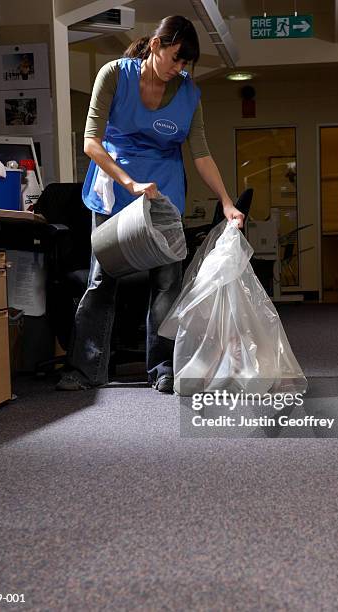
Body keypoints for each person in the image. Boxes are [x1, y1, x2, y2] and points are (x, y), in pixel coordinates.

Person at [57, 15, 244, 393]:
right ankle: (84, 370)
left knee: (166, 283)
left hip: (163, 194)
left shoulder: (189, 93)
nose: (180, 69)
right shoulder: (114, 74)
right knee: (101, 280)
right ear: (156, 46)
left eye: (186, 64)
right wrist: (128, 181)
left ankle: (162, 368)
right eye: (176, 58)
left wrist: (226, 201)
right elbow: (90, 141)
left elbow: (202, 154)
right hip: (116, 187)